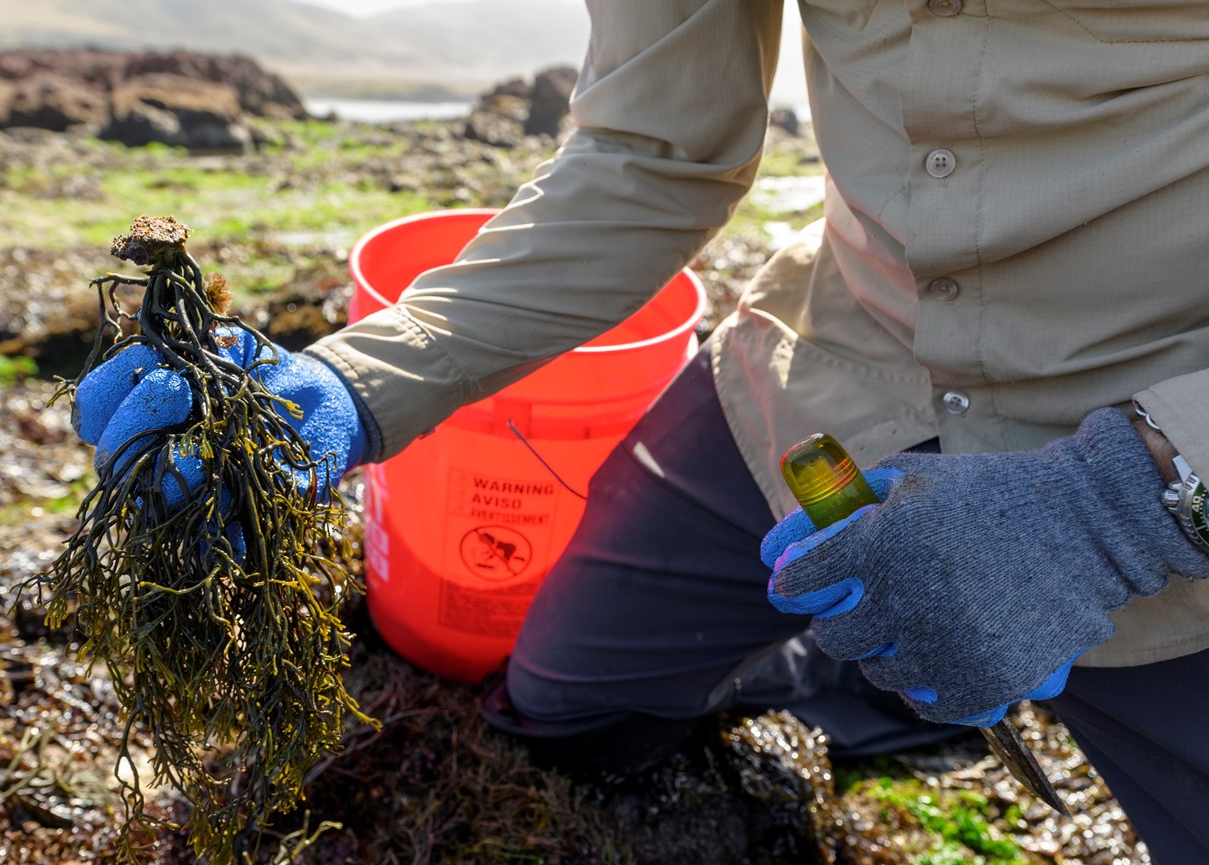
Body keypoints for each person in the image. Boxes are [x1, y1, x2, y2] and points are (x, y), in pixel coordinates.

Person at [73, 1, 1209, 860]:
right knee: (565, 707)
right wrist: (355, 384)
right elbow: (648, 156)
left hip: (1168, 416)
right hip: (845, 364)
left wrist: (1124, 499)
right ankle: (869, 675)